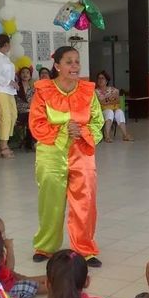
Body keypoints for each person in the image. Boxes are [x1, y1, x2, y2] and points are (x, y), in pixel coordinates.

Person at [29, 46, 105, 267]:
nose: (74, 66)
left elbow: (97, 122)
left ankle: (84, 248)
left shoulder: (88, 91)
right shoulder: (43, 91)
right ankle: (45, 246)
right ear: (57, 66)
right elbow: (36, 124)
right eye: (69, 62)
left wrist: (82, 131)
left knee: (86, 201)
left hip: (82, 152)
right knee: (50, 201)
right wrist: (64, 131)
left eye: (77, 61)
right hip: (51, 153)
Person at [0, 34, 19, 159]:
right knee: (6, 116)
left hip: (9, 90)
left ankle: (4, 140)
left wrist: (13, 82)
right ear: (6, 44)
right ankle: (3, 145)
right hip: (0, 89)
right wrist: (9, 82)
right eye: (9, 44)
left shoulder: (5, 58)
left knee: (13, 115)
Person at [95, 70, 133, 143]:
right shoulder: (95, 91)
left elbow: (116, 101)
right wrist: (109, 101)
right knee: (109, 112)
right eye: (99, 78)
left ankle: (125, 135)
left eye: (102, 78)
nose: (100, 80)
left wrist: (106, 101)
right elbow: (99, 103)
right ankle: (107, 136)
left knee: (119, 112)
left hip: (114, 109)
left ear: (106, 81)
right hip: (101, 111)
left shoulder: (113, 90)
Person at [15, 66, 36, 151]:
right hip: (20, 113)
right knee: (31, 117)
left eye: (27, 73)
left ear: (30, 75)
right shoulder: (17, 86)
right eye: (23, 72)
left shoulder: (33, 87)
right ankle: (31, 142)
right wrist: (28, 107)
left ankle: (31, 142)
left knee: (36, 117)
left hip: (31, 112)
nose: (25, 74)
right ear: (20, 75)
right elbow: (17, 103)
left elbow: (34, 101)